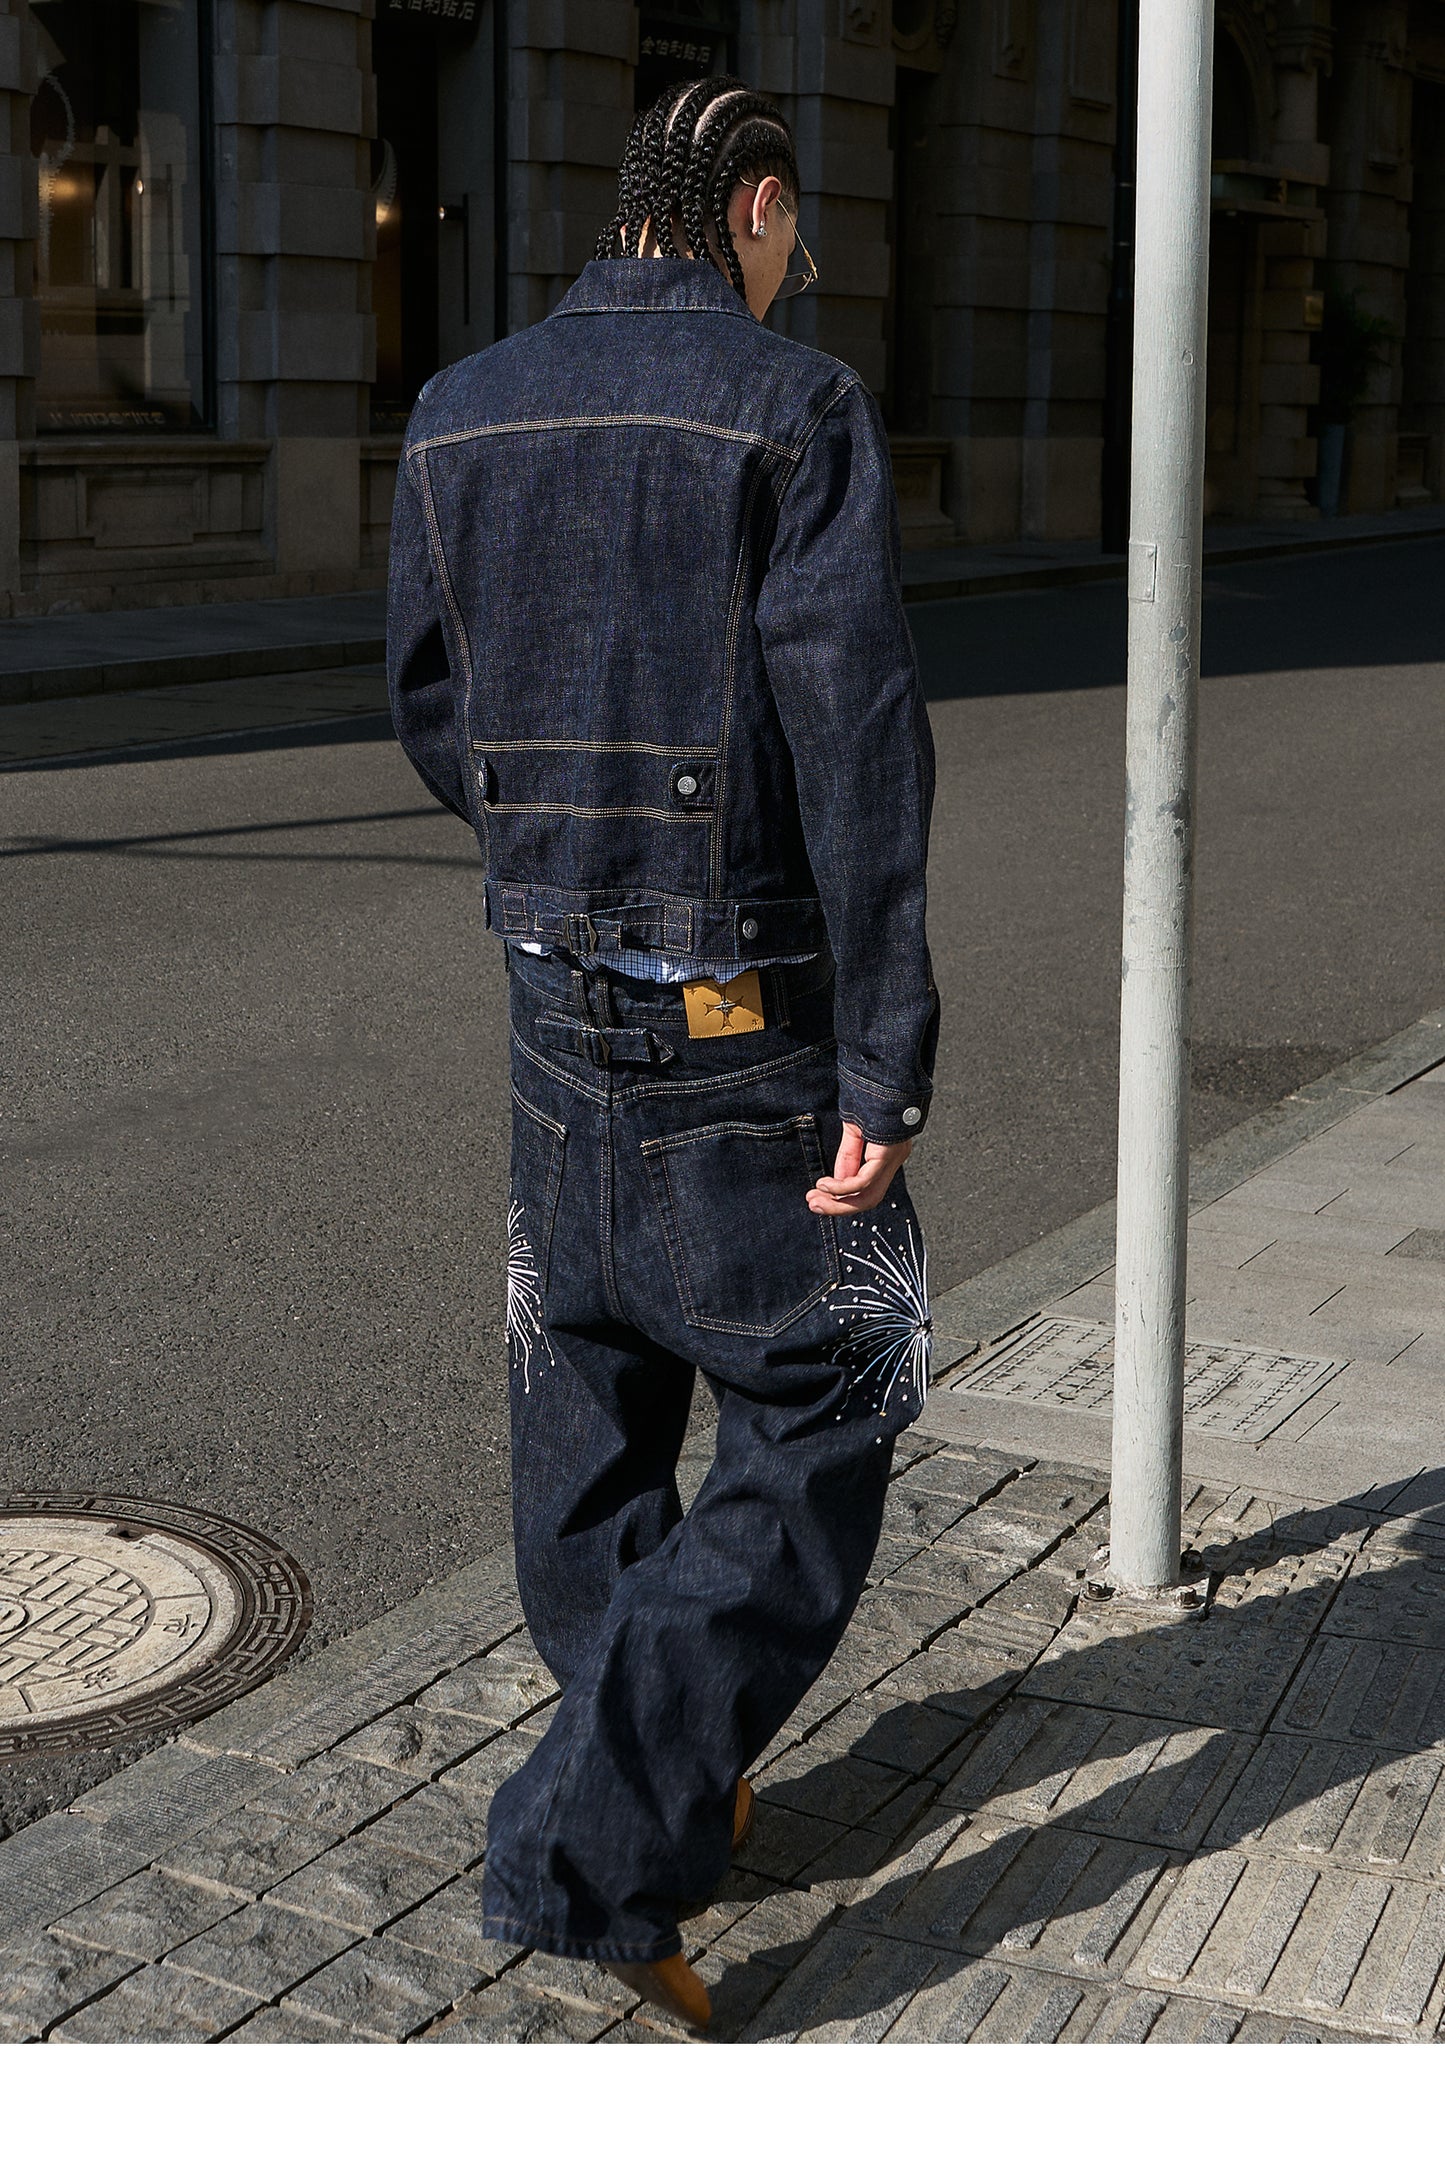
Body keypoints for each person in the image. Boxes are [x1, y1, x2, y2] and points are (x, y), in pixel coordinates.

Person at [387, 75, 939, 2031]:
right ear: (756, 208)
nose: (804, 264)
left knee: (589, 1384)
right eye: (801, 230)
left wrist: (563, 857)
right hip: (749, 1020)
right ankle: (584, 1840)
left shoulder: (458, 409)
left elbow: (430, 704)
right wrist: (883, 1055)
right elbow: (860, 755)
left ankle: (656, 1760)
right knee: (852, 1370)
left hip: (553, 997)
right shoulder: (795, 410)